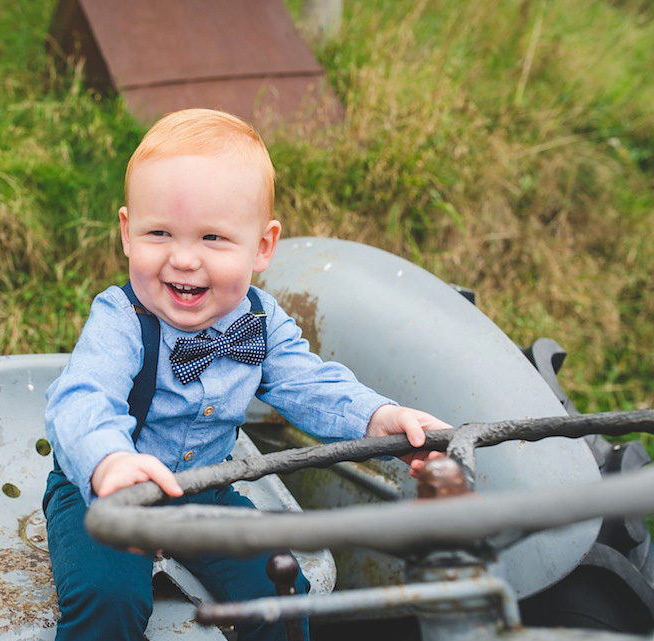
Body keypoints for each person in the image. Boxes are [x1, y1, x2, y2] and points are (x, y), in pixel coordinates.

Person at [43, 108, 449, 641]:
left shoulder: (259, 322)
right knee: (109, 598)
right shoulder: (121, 319)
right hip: (104, 493)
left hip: (206, 490)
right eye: (159, 232)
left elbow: (309, 385)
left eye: (213, 238)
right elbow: (80, 397)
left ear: (262, 247)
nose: (184, 259)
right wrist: (109, 462)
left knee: (280, 590)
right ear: (126, 232)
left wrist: (379, 419)